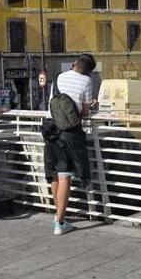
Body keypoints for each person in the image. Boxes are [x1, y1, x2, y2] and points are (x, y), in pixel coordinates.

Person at [43, 53, 95, 235]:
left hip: (50, 127)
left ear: (74, 64)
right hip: (68, 132)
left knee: (55, 174)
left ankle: (57, 215)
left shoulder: (59, 77)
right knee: (65, 175)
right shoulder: (87, 81)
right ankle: (60, 223)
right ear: (89, 71)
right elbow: (85, 112)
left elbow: (52, 102)